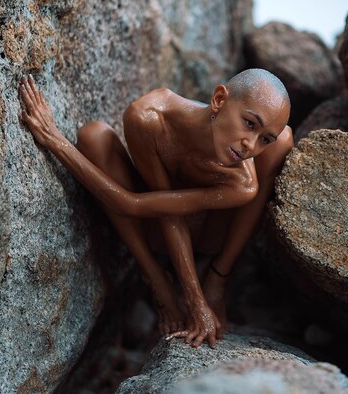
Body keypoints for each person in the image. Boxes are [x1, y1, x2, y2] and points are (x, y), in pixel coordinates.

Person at [18, 69, 292, 348]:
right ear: (219, 99)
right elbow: (141, 205)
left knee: (285, 139)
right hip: (155, 224)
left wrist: (205, 292)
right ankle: (154, 275)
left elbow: (137, 204)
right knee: (94, 136)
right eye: (249, 123)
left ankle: (218, 276)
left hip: (210, 235)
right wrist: (55, 140)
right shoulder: (149, 117)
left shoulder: (244, 183)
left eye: (263, 139)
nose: (250, 145)